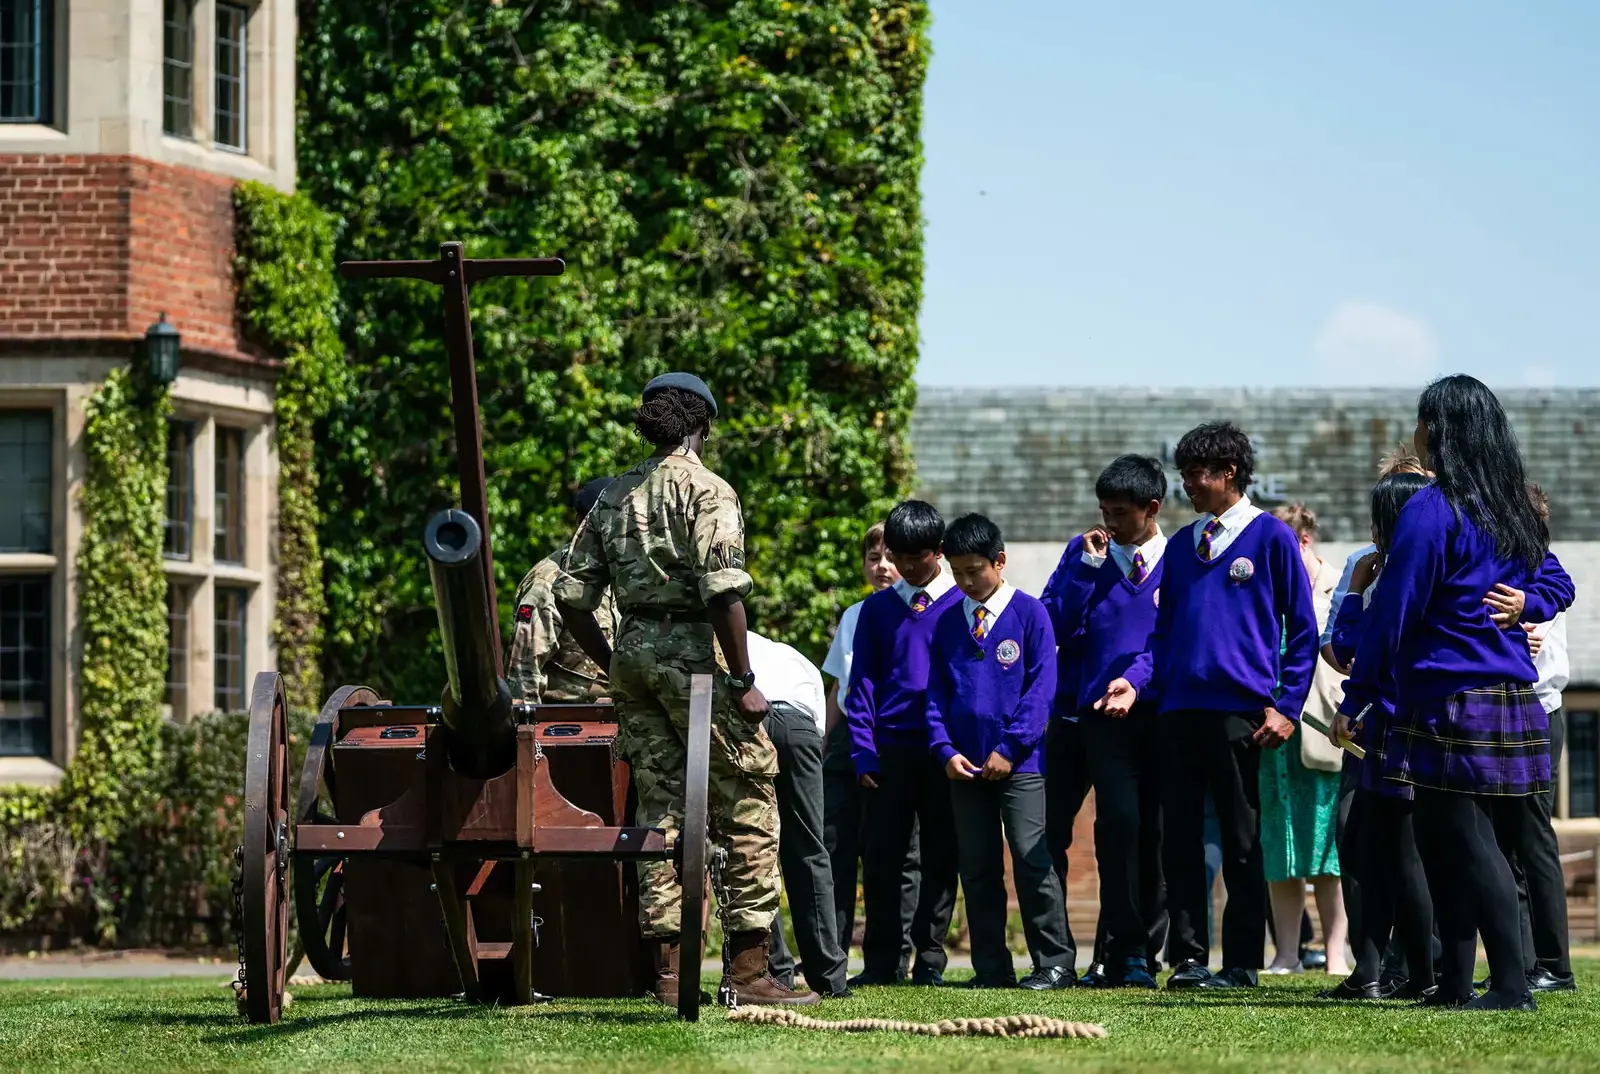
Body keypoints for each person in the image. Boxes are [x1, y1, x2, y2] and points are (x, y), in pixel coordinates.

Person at [554, 372, 817, 1008]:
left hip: (636, 661)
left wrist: (617, 659)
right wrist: (743, 679)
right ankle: (752, 973)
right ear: (702, 427)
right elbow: (723, 591)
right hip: (697, 658)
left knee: (659, 810)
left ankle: (670, 974)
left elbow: (572, 597)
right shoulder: (708, 491)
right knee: (749, 798)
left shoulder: (614, 496)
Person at [1336, 374, 1573, 1011]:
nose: (1414, 431)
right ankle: (1453, 984)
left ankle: (1510, 986)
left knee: (1467, 842)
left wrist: (1356, 697)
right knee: (1446, 843)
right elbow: (1558, 581)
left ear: (1438, 431)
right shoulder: (1508, 508)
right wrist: (1533, 598)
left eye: (1420, 420)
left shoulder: (1432, 509)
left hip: (1449, 696)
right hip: (1497, 696)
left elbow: (1395, 613)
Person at [1101, 421, 1318, 991]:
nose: (1188, 486)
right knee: (1180, 844)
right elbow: (1162, 634)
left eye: (1197, 474)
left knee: (1243, 843)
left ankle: (1241, 962)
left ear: (1228, 473)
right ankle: (1190, 958)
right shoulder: (1179, 545)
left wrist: (1287, 705)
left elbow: (1302, 628)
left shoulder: (1270, 537)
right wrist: (1136, 682)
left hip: (1241, 716)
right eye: (1184, 475)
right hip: (1176, 713)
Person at [1040, 454, 1169, 988]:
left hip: (1153, 715)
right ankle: (1080, 955)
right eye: (1104, 510)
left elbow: (1175, 637)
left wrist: (1136, 681)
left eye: (1120, 513)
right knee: (1096, 829)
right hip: (1086, 717)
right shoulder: (1083, 553)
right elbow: (1052, 625)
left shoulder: (1178, 559)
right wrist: (1086, 572)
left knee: (1145, 833)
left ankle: (1135, 951)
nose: (1109, 522)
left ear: (1152, 509)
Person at [927, 514, 1071, 990]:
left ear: (1000, 561)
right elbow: (936, 696)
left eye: (975, 571)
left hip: (1022, 766)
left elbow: (1042, 689)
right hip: (964, 769)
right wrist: (945, 750)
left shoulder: (1031, 614)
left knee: (1033, 860)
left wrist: (1010, 749)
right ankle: (991, 968)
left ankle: (1055, 964)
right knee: (979, 868)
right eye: (959, 572)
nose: (967, 582)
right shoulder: (949, 623)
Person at [1322, 470, 1437, 1001]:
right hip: (1386, 724)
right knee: (1369, 846)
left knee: (1393, 853)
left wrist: (1353, 593)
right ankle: (1378, 971)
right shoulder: (1402, 569)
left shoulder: (1395, 578)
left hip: (1393, 725)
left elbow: (1350, 651)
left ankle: (1415, 972)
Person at [846, 500, 963, 987]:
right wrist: (862, 749)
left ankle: (930, 959)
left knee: (941, 856)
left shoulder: (963, 603)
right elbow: (863, 684)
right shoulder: (875, 611)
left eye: (918, 558)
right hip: (890, 751)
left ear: (939, 551)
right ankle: (881, 962)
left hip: (947, 752)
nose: (908, 568)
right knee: (881, 859)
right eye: (899, 556)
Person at [1481, 484, 1577, 995]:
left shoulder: (1539, 565)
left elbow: (1538, 629)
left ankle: (1554, 963)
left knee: (1533, 839)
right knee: (1506, 841)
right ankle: (1517, 960)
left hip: (1537, 711)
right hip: (1506, 712)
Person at [820, 524, 923, 983]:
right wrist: (823, 745)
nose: (881, 566)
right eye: (873, 557)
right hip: (848, 744)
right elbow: (840, 688)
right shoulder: (854, 615)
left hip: (895, 739)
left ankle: (896, 957)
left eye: (889, 556)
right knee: (836, 848)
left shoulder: (919, 611)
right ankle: (832, 956)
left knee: (897, 855)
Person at [1260, 503, 1349, 977]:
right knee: (1281, 846)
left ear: (1303, 541)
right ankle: (1287, 953)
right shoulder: (1268, 588)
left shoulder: (1338, 585)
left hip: (1323, 728)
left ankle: (1337, 953)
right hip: (1274, 734)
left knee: (1326, 848)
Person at [748, 629, 852, 998]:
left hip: (748, 724)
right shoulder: (786, 652)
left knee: (753, 849)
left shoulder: (707, 639)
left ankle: (772, 969)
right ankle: (829, 978)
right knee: (809, 849)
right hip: (800, 723)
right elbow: (818, 723)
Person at [507, 477, 618, 704]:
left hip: (622, 717)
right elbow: (523, 674)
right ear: (581, 524)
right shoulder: (546, 583)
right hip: (566, 723)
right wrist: (529, 732)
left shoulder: (626, 573)